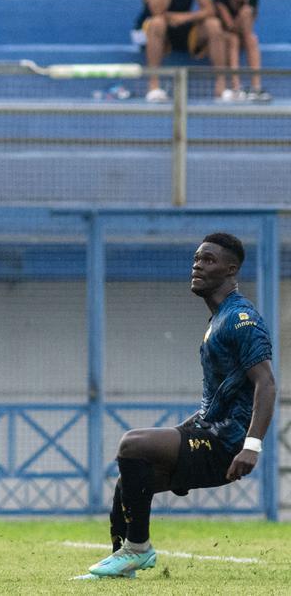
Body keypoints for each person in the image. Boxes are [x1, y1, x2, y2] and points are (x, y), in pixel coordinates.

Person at [79, 233, 275, 580]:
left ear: (231, 270)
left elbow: (267, 384)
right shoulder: (217, 320)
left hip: (227, 445)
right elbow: (218, 398)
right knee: (127, 484)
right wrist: (187, 430)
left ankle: (139, 549)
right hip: (207, 432)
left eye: (209, 260)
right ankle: (122, 566)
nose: (197, 265)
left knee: (132, 444)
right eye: (197, 259)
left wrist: (251, 446)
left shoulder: (242, 318)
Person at [136, 0, 226, 101]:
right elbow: (157, 9)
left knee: (214, 25)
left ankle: (221, 84)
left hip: (186, 27)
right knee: (156, 23)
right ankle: (154, 85)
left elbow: (209, 9)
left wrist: (185, 17)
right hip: (160, 31)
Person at [213, 0, 270, 103]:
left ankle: (256, 86)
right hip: (224, 35)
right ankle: (235, 86)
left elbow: (248, 28)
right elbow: (230, 26)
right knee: (233, 40)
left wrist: (247, 9)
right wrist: (243, 13)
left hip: (242, 34)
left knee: (252, 39)